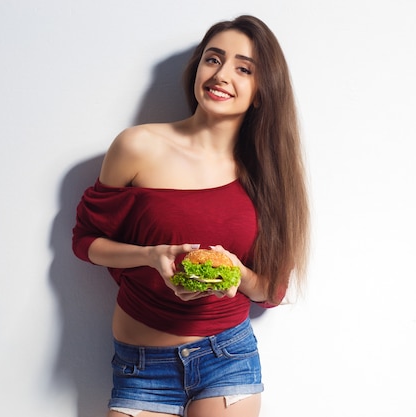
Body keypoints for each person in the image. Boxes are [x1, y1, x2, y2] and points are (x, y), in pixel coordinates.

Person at [72, 15, 309, 417]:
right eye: (213, 59)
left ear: (262, 91)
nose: (221, 75)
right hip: (141, 366)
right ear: (198, 67)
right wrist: (148, 256)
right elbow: (86, 242)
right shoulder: (138, 146)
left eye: (243, 68)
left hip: (227, 358)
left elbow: (270, 290)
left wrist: (237, 276)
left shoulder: (269, 174)